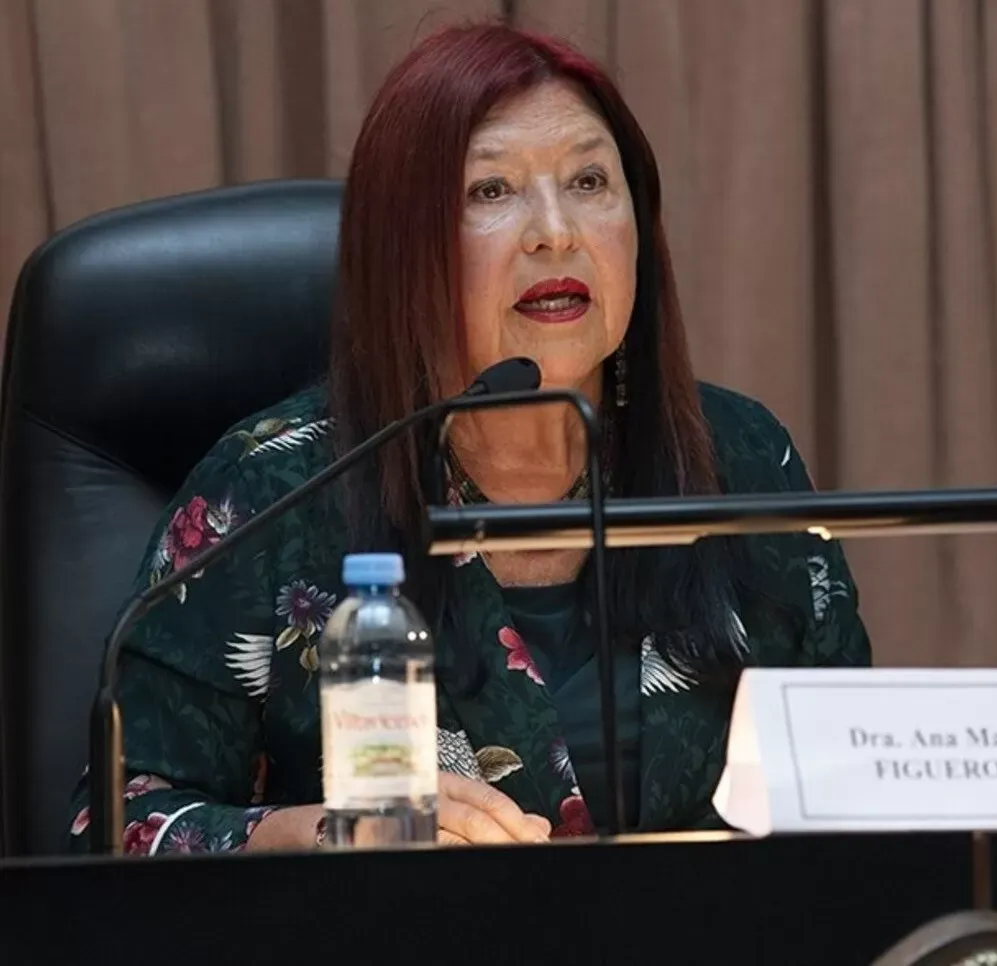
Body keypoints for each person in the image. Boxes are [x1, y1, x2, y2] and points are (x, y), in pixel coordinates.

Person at [67, 22, 870, 856]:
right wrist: (320, 835)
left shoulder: (740, 458)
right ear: (404, 248)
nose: (554, 232)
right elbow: (116, 827)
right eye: (492, 191)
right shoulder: (273, 491)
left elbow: (854, 792)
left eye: (590, 180)